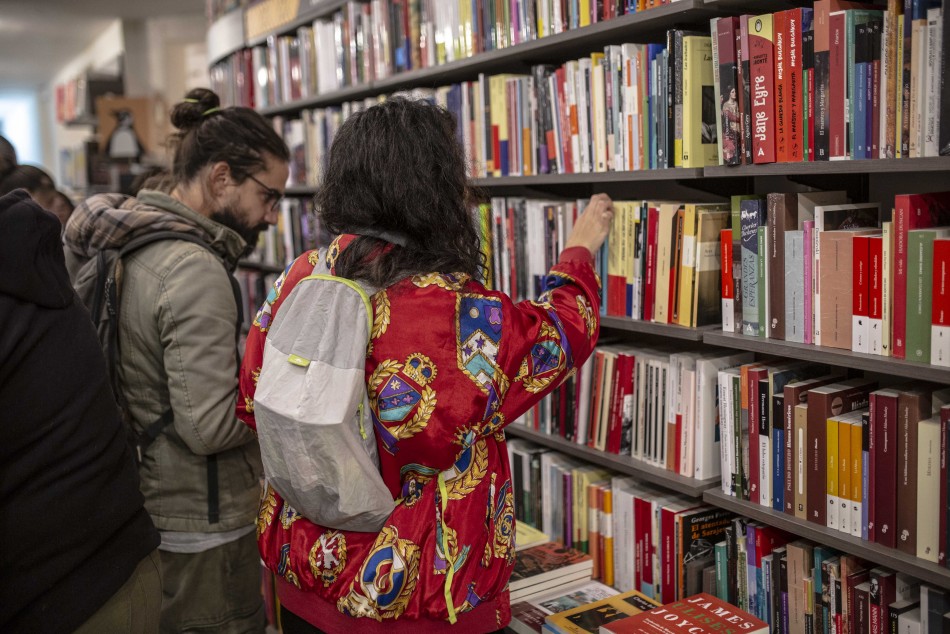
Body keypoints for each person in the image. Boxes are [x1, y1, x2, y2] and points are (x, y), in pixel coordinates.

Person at [237, 97, 613, 633]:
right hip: (419, 603)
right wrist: (577, 252)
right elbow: (560, 334)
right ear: (434, 189)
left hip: (302, 582)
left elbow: (252, 398)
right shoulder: (459, 311)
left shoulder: (302, 275)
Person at [62, 87, 290, 634]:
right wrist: (287, 401)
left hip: (145, 500)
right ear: (220, 178)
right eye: (269, 196)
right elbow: (209, 426)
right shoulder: (193, 269)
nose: (272, 217)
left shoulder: (132, 238)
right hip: (200, 520)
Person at [0, 189, 162, 633]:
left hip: (71, 586)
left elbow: (205, 424)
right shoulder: (29, 269)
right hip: (100, 562)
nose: (269, 214)